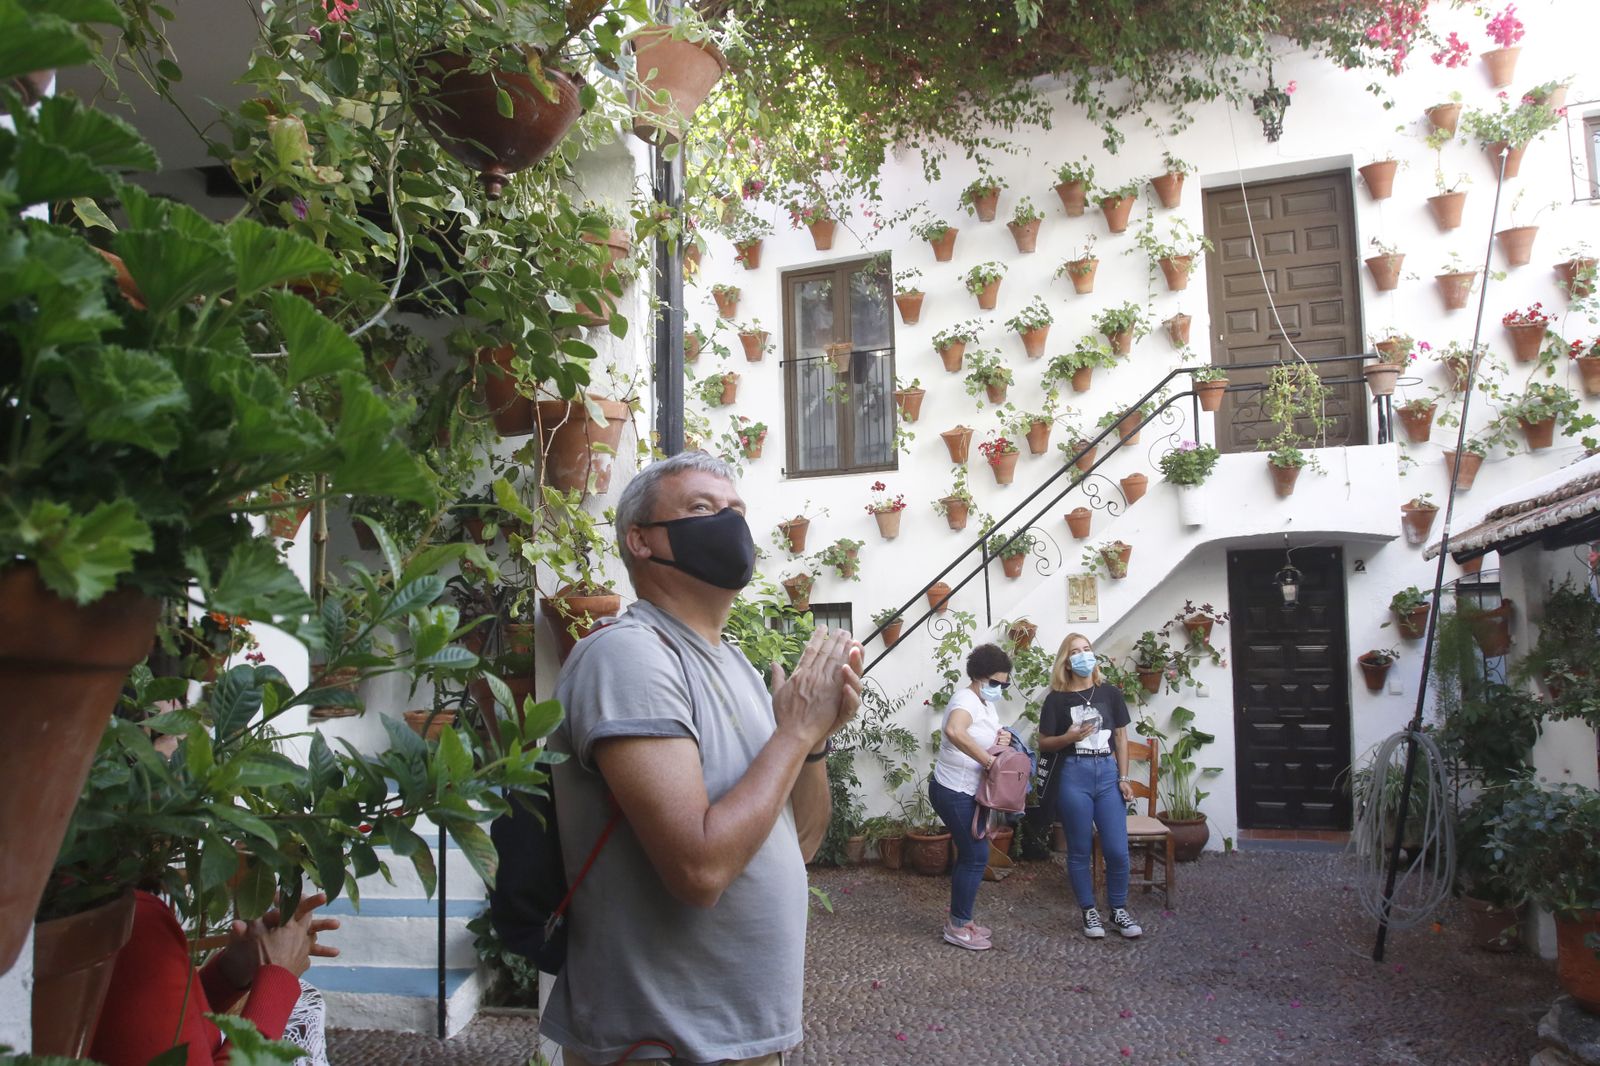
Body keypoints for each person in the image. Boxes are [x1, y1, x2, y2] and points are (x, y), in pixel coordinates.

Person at [544, 450, 862, 1065]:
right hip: (663, 1045)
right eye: (701, 508)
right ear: (641, 540)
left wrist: (815, 739)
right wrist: (792, 733)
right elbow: (699, 871)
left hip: (745, 1040)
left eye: (736, 510)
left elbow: (795, 844)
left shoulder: (739, 666)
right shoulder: (630, 657)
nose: (728, 522)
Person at [91, 889, 339, 1066]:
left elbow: (152, 1029)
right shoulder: (131, 919)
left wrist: (229, 973)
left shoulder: (90, 901)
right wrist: (279, 975)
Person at [1038, 632, 1143, 940]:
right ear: (1066, 662)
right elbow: (1044, 744)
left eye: (1087, 649)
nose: (1083, 655)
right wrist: (1068, 738)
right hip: (1074, 774)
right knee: (1079, 849)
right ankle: (1089, 911)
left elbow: (1121, 739)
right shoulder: (1056, 700)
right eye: (1076, 652)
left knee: (1117, 849)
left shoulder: (1109, 693)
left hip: (1107, 774)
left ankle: (1119, 909)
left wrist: (1124, 778)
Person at [928, 642, 1015, 951]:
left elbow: (984, 733)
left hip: (967, 789)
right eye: (995, 682)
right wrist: (989, 761)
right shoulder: (965, 698)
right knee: (976, 855)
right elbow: (955, 730)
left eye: (1004, 684)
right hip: (954, 789)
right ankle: (956, 925)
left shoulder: (985, 703)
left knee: (973, 854)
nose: (999, 688)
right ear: (979, 677)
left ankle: (963, 920)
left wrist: (1002, 738)